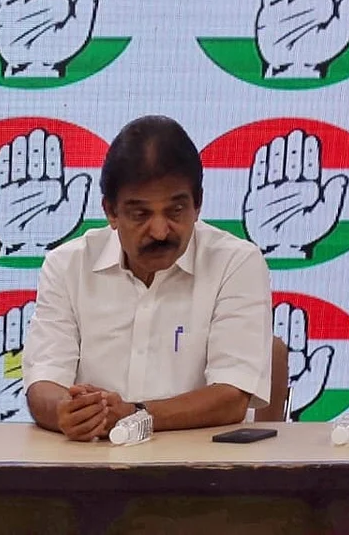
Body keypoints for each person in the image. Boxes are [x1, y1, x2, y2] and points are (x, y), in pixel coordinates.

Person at [23, 115, 272, 441]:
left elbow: (232, 397)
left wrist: (135, 415)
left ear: (198, 205)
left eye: (175, 211)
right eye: (140, 214)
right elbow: (43, 382)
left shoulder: (237, 263)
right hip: (90, 466)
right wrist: (65, 413)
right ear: (111, 212)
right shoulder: (67, 265)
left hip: (202, 472)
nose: (159, 231)